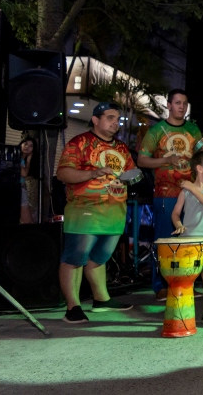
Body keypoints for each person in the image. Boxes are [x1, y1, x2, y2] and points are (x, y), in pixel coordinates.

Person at [56, 102, 136, 323]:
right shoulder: (79, 142)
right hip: (85, 210)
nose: (115, 123)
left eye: (117, 119)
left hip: (115, 211)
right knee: (75, 258)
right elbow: (63, 173)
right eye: (110, 117)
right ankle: (73, 307)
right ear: (95, 119)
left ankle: (102, 299)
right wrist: (94, 173)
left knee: (99, 257)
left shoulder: (121, 147)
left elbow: (131, 173)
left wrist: (132, 177)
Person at [137, 89, 203, 300]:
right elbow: (142, 161)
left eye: (185, 103)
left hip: (191, 194)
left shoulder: (192, 129)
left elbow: (198, 157)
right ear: (168, 105)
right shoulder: (156, 130)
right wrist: (166, 161)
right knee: (164, 239)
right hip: (166, 193)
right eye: (177, 103)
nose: (181, 107)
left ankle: (186, 282)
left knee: (189, 239)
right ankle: (160, 285)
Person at [171, 151, 203, 327]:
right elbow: (176, 213)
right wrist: (178, 224)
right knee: (187, 278)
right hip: (190, 240)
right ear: (200, 169)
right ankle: (185, 311)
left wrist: (192, 188)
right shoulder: (185, 192)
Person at [19, 136, 39, 224]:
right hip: (18, 187)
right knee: (27, 220)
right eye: (25, 144)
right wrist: (28, 161)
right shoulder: (18, 157)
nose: (27, 147)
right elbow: (24, 174)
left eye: (31, 146)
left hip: (22, 186)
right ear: (21, 144)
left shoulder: (23, 159)